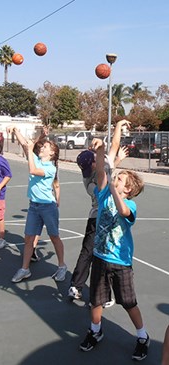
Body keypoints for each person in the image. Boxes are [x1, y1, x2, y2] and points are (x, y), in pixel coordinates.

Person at [79, 137, 148, 361]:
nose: (115, 177)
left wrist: (113, 188)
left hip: (120, 262)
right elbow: (101, 171)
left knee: (128, 302)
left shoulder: (130, 204)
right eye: (116, 176)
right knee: (96, 300)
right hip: (100, 257)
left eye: (120, 178)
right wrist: (99, 151)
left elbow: (123, 212)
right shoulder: (103, 193)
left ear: (128, 189)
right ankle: (95, 331)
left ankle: (142, 336)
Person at [68, 120, 130, 302]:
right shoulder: (95, 178)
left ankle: (76, 285)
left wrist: (116, 157)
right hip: (105, 217)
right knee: (105, 255)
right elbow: (113, 150)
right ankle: (103, 294)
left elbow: (112, 156)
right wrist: (117, 127)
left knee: (87, 253)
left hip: (95, 218)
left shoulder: (90, 175)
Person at [10, 128, 67, 283]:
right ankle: (25, 269)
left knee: (54, 236)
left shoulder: (50, 168)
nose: (42, 147)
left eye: (46, 147)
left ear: (52, 153)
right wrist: (16, 131)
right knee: (28, 238)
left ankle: (62, 266)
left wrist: (30, 149)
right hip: (34, 206)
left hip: (48, 206)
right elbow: (24, 145)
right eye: (42, 146)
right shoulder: (36, 159)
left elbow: (33, 170)